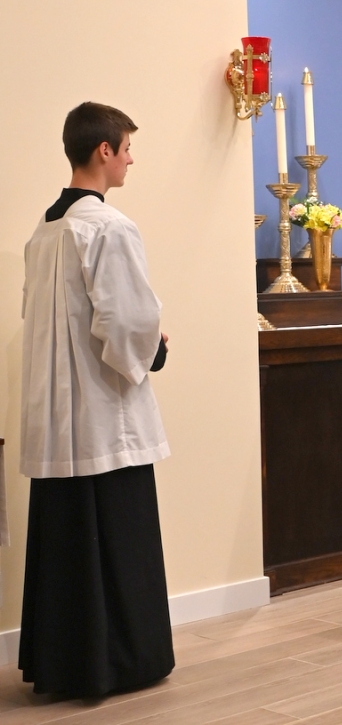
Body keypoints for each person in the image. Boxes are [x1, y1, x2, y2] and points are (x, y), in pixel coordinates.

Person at [19, 102, 174, 697]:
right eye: (127, 147)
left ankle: (66, 664)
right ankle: (123, 661)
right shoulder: (108, 227)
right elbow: (128, 320)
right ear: (103, 150)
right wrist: (155, 344)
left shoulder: (46, 229)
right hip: (104, 417)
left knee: (65, 542)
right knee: (115, 534)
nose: (132, 158)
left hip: (58, 419)